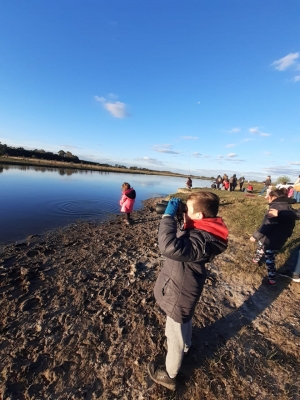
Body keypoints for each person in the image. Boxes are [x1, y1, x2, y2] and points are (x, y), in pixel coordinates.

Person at [148, 193, 228, 390]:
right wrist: (182, 216)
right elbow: (186, 239)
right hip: (183, 289)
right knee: (185, 320)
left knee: (173, 333)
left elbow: (168, 246)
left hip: (179, 293)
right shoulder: (203, 231)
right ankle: (187, 345)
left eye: (188, 210)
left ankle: (169, 375)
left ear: (199, 216)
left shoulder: (200, 240)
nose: (185, 213)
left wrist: (167, 217)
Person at [250, 188, 298, 286]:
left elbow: (267, 225)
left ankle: (272, 278)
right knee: (261, 247)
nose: (268, 198)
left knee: (269, 257)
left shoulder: (274, 209)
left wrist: (255, 236)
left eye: (269, 197)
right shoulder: (289, 209)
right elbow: (292, 224)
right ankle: (256, 260)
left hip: (269, 238)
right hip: (281, 237)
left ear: (274, 197)